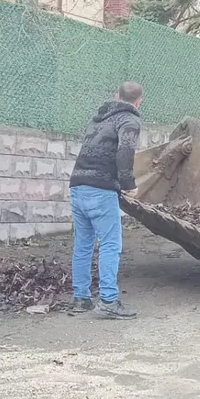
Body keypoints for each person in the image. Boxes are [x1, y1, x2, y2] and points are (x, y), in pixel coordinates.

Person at [68, 81, 144, 318]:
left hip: (77, 185)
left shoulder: (97, 119)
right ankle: (109, 301)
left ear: (116, 95)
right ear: (139, 102)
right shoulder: (129, 120)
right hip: (101, 190)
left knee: (83, 244)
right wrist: (129, 185)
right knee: (110, 244)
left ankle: (81, 299)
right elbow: (125, 152)